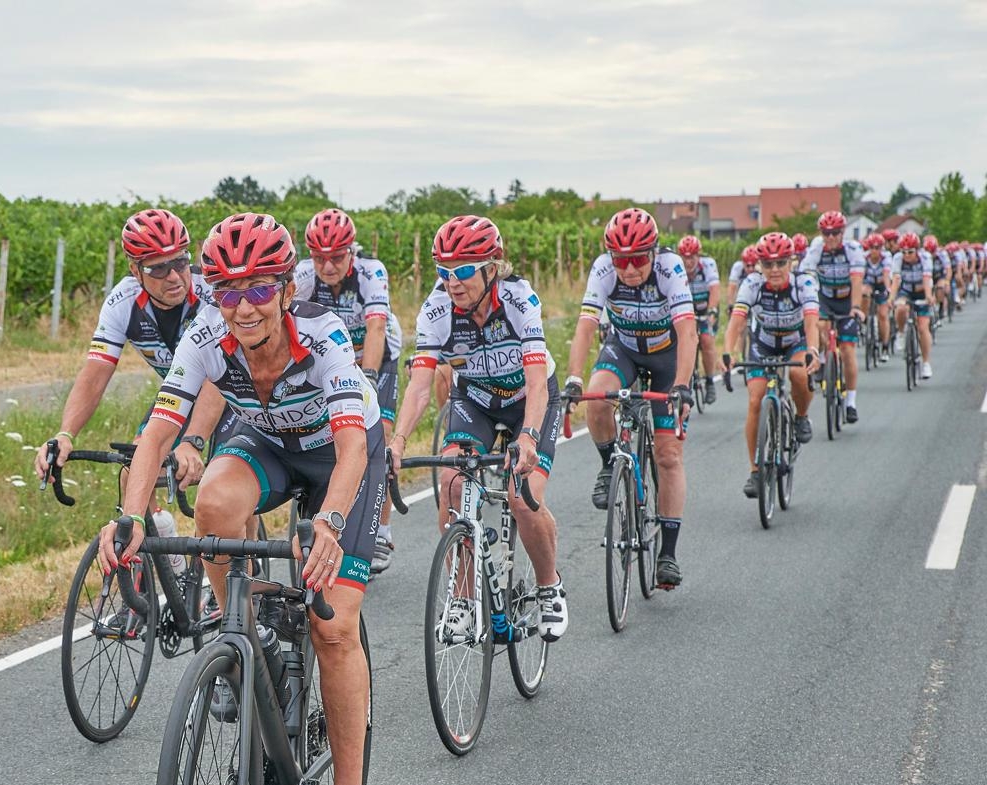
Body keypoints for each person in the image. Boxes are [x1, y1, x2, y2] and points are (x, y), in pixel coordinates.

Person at [98, 212, 384, 785]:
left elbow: (350, 450)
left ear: (285, 288)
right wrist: (131, 517)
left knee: (334, 627)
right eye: (228, 291)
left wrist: (329, 526)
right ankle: (251, 638)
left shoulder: (324, 335)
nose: (243, 306)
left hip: (342, 456)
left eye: (258, 289)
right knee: (214, 502)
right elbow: (157, 434)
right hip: (270, 442)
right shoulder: (206, 336)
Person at [392, 215, 567, 640]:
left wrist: (528, 436)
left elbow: (535, 380)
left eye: (464, 270)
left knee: (521, 497)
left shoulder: (519, 299)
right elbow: (419, 387)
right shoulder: (436, 310)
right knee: (452, 483)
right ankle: (463, 600)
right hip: (476, 401)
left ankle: (549, 587)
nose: (453, 282)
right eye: (444, 271)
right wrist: (396, 442)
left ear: (492, 268)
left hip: (529, 400)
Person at [35, 209, 227, 491]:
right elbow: (95, 375)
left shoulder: (213, 293)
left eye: (180, 262)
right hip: (181, 392)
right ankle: (155, 519)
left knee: (222, 488)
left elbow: (219, 374)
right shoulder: (122, 302)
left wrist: (193, 441)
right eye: (158, 269)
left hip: (234, 391)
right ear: (135, 271)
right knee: (134, 472)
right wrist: (65, 434)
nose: (174, 276)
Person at [565, 207, 697, 590]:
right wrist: (573, 379)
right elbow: (586, 325)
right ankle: (610, 464)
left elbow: (688, 331)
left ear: (653, 252)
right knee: (597, 398)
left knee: (668, 455)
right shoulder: (603, 269)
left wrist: (682, 384)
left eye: (638, 259)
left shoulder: (670, 268)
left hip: (667, 357)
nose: (630, 269)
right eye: (621, 260)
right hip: (624, 348)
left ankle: (667, 554)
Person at [293, 208, 404, 573]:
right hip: (331, 363)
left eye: (337, 257)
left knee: (377, 437)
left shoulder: (371, 272)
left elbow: (375, 327)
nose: (327, 266)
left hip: (377, 359)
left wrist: (367, 376)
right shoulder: (303, 276)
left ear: (351, 252)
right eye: (319, 258)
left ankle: (381, 530)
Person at [724, 231, 820, 499]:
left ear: (791, 262)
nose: (774, 269)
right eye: (768, 264)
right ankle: (755, 471)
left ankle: (801, 417)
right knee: (756, 400)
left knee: (799, 374)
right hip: (763, 344)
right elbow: (737, 320)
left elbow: (811, 321)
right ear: (760, 265)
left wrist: (813, 350)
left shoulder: (804, 283)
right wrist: (728, 352)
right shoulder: (752, 284)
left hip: (796, 342)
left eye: (781, 263)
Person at [798, 211, 866, 422]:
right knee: (818, 325)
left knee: (847, 350)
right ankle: (823, 358)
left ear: (842, 232)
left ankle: (851, 401)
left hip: (847, 299)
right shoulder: (816, 248)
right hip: (825, 297)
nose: (830, 237)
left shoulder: (853, 250)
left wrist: (856, 307)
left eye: (835, 233)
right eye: (826, 233)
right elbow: (806, 276)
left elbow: (857, 281)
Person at [676, 235, 722, 405]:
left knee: (706, 340)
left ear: (699, 255)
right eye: (685, 257)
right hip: (684, 312)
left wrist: (712, 311)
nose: (689, 262)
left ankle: (710, 382)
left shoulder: (708, 265)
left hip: (704, 310)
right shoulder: (675, 267)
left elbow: (715, 290)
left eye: (692, 257)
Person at [892, 233, 935, 378]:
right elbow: (896, 279)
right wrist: (891, 298)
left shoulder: (925, 258)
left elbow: (926, 278)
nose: (906, 255)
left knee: (923, 328)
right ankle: (901, 332)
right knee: (900, 308)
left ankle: (926, 363)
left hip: (922, 291)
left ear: (917, 250)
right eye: (903, 252)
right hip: (906, 291)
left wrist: (928, 296)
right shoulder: (898, 258)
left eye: (910, 252)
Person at [859, 234, 894, 361]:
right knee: (864, 293)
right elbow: (860, 276)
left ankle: (885, 346)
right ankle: (864, 322)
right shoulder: (863, 257)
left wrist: (888, 290)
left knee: (883, 315)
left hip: (882, 284)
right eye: (872, 248)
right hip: (868, 283)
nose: (875, 251)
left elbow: (886, 274)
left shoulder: (886, 257)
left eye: (878, 248)